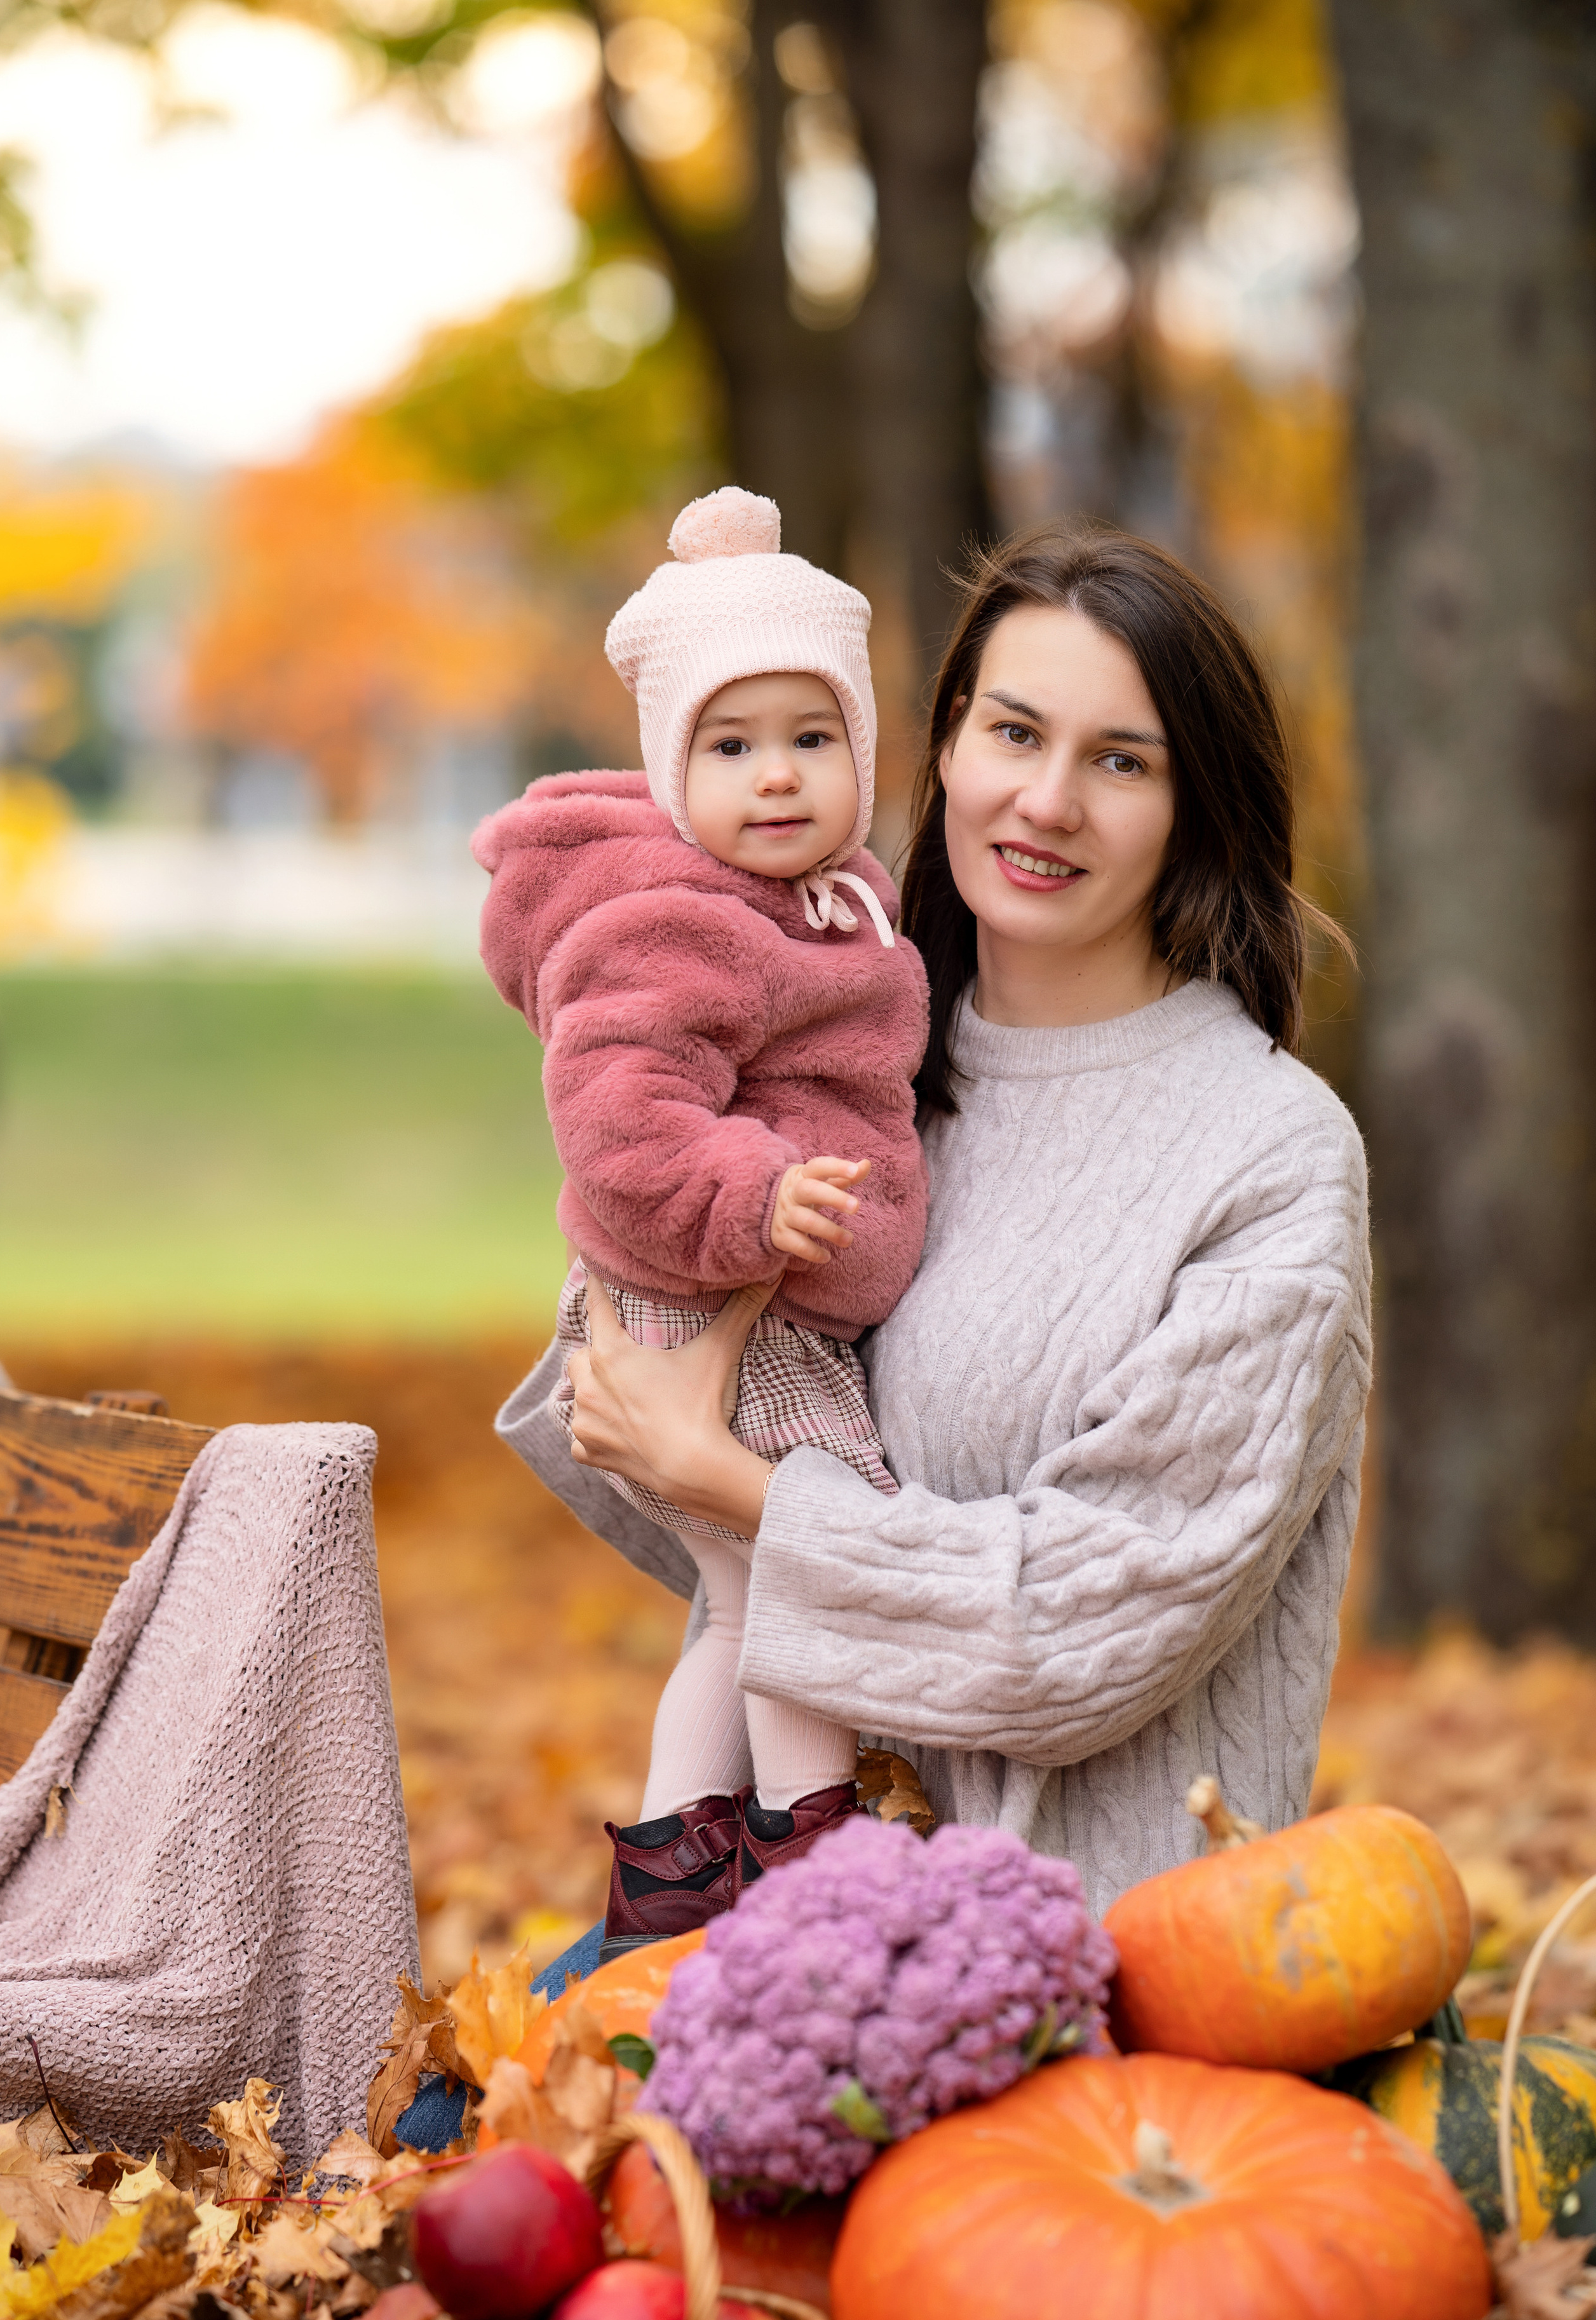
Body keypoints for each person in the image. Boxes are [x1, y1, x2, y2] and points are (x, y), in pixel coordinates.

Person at [502, 520, 1372, 1998]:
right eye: (1012, 731)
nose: (1043, 799)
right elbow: (691, 1518)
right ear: (943, 747)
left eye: (1120, 759)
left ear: (1193, 806)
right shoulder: (856, 1064)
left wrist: (730, 1479)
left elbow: (1086, 1630)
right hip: (796, 1902)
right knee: (439, 2150)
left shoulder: (1265, 1155)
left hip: (1095, 1968)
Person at [474, 486, 930, 1962]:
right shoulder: (675, 915)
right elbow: (619, 1118)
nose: (778, 777)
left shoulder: (828, 900)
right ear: (674, 767)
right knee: (788, 1574)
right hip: (702, 1292)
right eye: (731, 747)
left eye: (813, 738)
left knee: (742, 1603)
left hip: (749, 1290)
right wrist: (757, 1197)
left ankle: (682, 1863)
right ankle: (807, 1848)